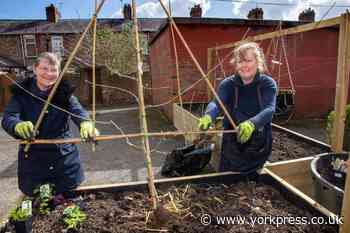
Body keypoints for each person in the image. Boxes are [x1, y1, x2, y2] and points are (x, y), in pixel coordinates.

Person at [1, 52, 99, 197]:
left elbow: (79, 112)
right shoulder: (21, 93)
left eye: (54, 70)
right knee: (41, 205)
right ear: (35, 69)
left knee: (70, 206)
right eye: (44, 69)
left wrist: (86, 123)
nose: (49, 74)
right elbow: (9, 117)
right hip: (34, 161)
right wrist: (16, 125)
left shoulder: (64, 93)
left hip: (64, 161)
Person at [198, 42, 277, 174]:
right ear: (236, 64)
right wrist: (209, 115)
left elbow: (269, 109)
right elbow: (216, 103)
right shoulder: (228, 84)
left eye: (248, 60)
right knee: (227, 178)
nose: (244, 65)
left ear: (258, 62)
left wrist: (252, 124)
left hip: (258, 141)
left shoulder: (267, 84)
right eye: (240, 62)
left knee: (252, 181)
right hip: (232, 141)